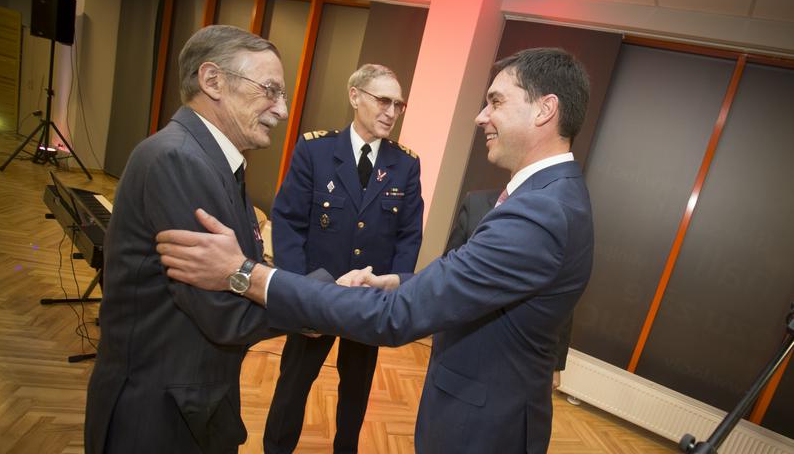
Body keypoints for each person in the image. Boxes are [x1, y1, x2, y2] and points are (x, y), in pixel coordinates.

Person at [157, 47, 594, 453]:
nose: (481, 116)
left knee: (355, 392)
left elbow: (399, 309)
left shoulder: (537, 213)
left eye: (496, 101)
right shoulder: (549, 198)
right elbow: (466, 282)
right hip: (474, 405)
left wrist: (248, 274)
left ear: (545, 109)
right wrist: (396, 283)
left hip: (483, 428)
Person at [84, 25, 291, 454]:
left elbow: (236, 273)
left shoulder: (213, 160)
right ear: (212, 80)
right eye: (270, 90)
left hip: (192, 403)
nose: (282, 110)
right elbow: (224, 312)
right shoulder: (178, 158)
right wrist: (322, 303)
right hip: (158, 417)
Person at [264, 64, 423, 454]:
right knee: (293, 385)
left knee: (356, 390)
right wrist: (299, 291)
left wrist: (392, 294)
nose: (391, 112)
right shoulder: (315, 151)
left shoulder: (405, 164)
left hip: (368, 301)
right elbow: (288, 221)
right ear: (355, 96)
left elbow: (408, 236)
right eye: (383, 100)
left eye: (398, 104)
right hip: (317, 294)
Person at [445, 189, 573, 390]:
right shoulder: (475, 203)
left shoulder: (553, 220)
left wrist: (556, 364)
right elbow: (447, 269)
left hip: (516, 359)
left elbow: (561, 298)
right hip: (459, 343)